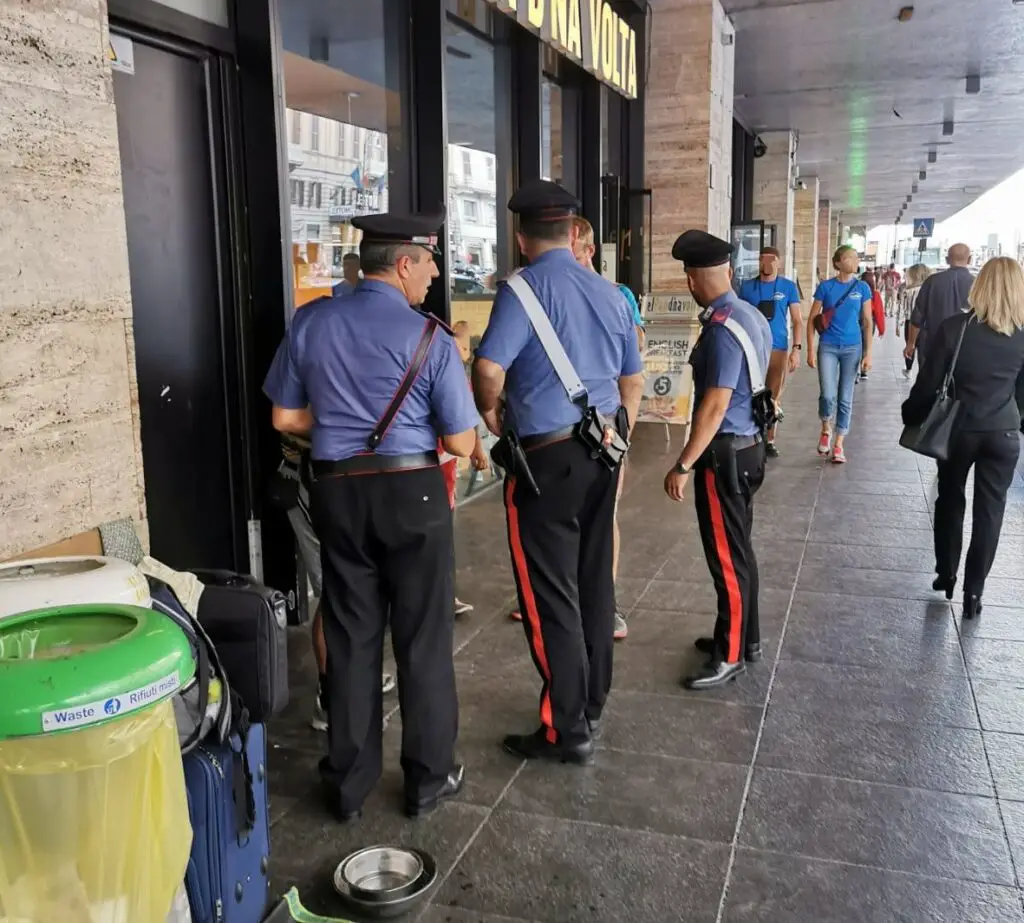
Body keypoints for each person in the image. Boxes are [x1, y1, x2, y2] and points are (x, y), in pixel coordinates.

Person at [263, 210, 479, 821]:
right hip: (414, 493)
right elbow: (462, 443)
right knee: (422, 638)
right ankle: (428, 779)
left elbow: (284, 418)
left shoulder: (312, 321)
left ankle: (348, 784)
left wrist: (338, 427)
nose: (435, 273)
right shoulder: (431, 337)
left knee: (353, 635)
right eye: (430, 262)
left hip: (339, 493)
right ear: (404, 263)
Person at [473, 179, 644, 764]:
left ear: (521, 238)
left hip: (545, 459)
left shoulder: (519, 292)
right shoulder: (611, 293)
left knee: (550, 595)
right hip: (603, 451)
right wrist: (622, 435)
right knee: (596, 580)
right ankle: (593, 699)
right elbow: (632, 378)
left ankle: (564, 728)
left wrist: (492, 415)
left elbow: (490, 368)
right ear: (574, 233)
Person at [663, 230, 771, 690]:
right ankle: (746, 638)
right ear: (727, 271)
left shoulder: (722, 329)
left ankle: (729, 656)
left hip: (723, 454)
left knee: (726, 558)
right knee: (740, 550)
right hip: (749, 447)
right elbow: (777, 366)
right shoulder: (750, 315)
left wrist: (684, 464)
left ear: (691, 280)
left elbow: (714, 406)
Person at [902, 257, 1024, 620]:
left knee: (950, 497)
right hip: (1003, 432)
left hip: (959, 430)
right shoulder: (1021, 333)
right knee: (991, 511)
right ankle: (975, 592)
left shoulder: (956, 328)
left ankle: (947, 573)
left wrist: (912, 413)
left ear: (979, 284)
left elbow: (929, 382)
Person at [275, 433, 396, 734]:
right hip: (314, 487)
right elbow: (288, 426)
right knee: (335, 592)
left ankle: (354, 676)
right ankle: (329, 699)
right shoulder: (307, 387)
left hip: (345, 485)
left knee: (357, 585)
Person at [570, 215, 642, 640]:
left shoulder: (618, 296)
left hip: (603, 426)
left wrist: (623, 427)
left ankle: (604, 604)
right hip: (558, 428)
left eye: (571, 252)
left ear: (588, 251)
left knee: (603, 516)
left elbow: (634, 364)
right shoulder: (545, 293)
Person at [806, 245, 873, 463]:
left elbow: (867, 322)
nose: (854, 261)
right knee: (828, 394)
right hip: (828, 345)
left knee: (846, 397)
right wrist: (809, 349)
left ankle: (838, 444)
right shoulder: (826, 287)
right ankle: (826, 427)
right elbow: (812, 319)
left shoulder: (862, 288)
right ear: (838, 263)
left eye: (856, 257)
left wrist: (868, 353)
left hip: (853, 348)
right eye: (849, 257)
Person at [738, 246, 802, 458]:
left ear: (778, 262)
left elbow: (797, 319)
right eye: (762, 259)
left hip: (778, 347)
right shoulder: (747, 287)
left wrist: (796, 349)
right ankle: (751, 435)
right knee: (750, 391)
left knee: (773, 395)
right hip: (752, 347)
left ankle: (770, 438)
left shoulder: (788, 287)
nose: (767, 264)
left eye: (771, 260)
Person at [905, 244, 973, 363]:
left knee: (929, 379)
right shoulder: (978, 284)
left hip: (934, 343)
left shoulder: (932, 281)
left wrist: (911, 344)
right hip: (966, 347)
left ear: (947, 260)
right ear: (970, 259)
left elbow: (917, 317)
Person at [900, 263, 933, 376]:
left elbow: (905, 310)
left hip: (910, 323)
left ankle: (908, 368)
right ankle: (923, 375)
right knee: (923, 352)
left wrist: (898, 324)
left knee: (910, 346)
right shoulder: (930, 289)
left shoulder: (908, 290)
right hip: (927, 325)